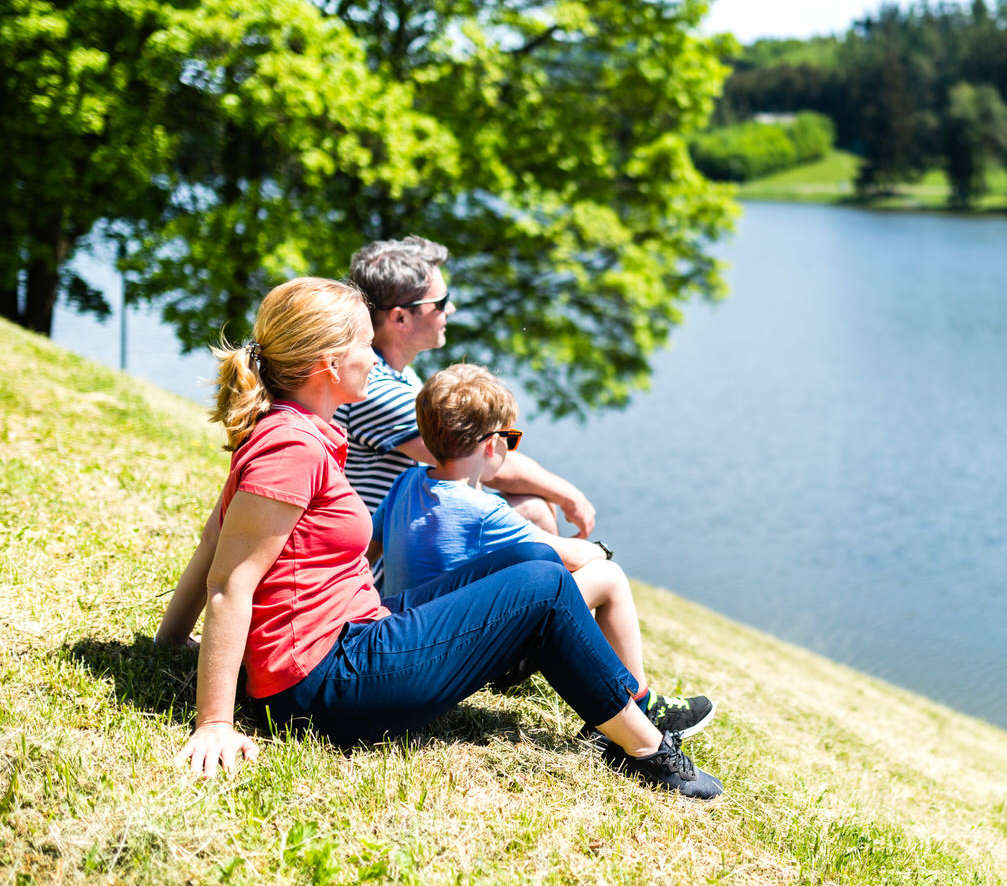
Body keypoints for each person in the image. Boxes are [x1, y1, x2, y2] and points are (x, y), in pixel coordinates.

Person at [154, 277, 720, 798]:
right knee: (545, 587)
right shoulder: (291, 446)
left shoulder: (300, 431)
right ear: (328, 364)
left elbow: (212, 539)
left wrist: (169, 643)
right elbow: (229, 581)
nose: (374, 356)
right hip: (325, 688)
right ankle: (647, 749)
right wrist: (214, 723)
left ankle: (628, 705)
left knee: (527, 556)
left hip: (352, 636)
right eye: (364, 343)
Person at [370, 364, 715, 738]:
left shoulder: (406, 482)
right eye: (510, 438)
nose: (510, 446)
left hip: (410, 636)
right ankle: (640, 703)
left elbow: (372, 550)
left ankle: (615, 695)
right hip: (456, 655)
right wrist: (600, 550)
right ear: (491, 446)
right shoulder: (483, 512)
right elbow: (573, 557)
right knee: (609, 578)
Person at [334, 236, 592, 541]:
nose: (452, 309)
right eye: (441, 303)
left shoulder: (399, 375)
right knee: (533, 510)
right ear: (400, 317)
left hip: (403, 536)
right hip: (384, 559)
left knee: (530, 506)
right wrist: (569, 495)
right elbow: (481, 459)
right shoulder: (376, 388)